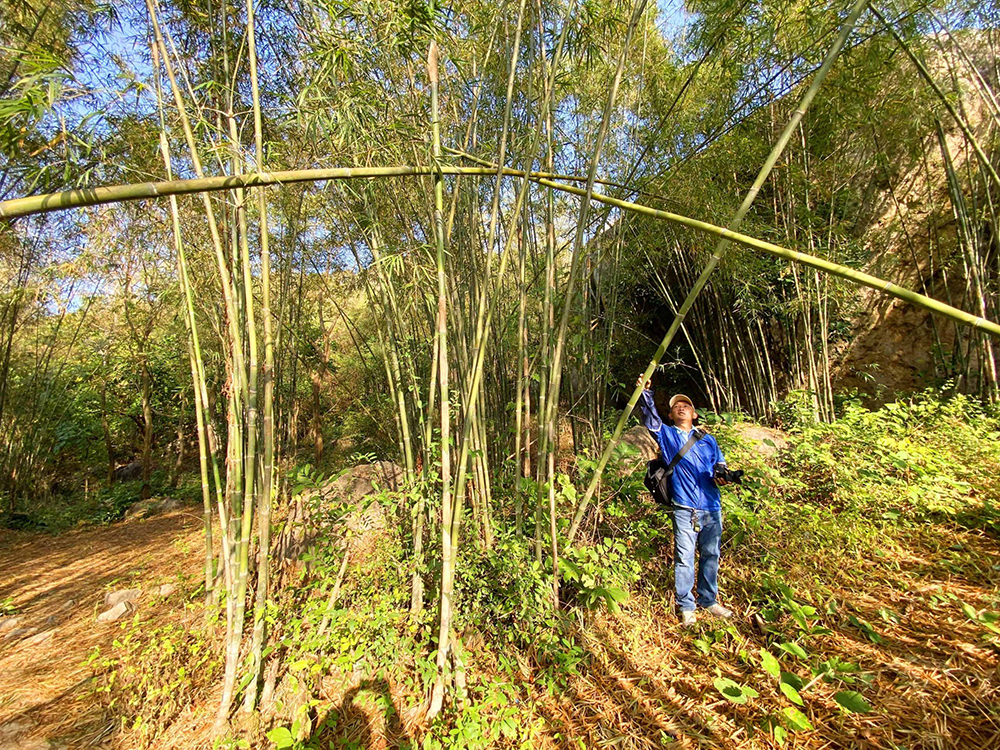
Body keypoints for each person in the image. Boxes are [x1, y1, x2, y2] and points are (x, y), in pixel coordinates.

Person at [637, 376, 733, 626]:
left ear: (695, 415)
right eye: (676, 406)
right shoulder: (667, 435)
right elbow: (651, 421)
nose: (681, 408)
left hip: (712, 504)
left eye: (686, 405)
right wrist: (645, 393)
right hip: (684, 505)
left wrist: (723, 477)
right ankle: (686, 605)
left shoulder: (708, 440)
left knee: (711, 553)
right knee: (684, 556)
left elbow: (719, 466)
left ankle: (709, 600)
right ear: (670, 415)